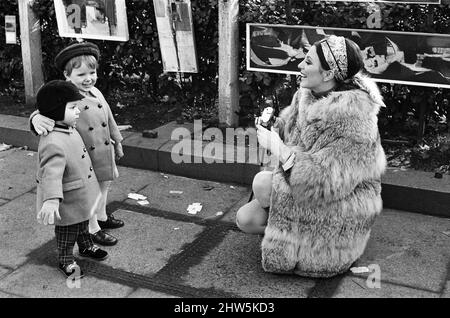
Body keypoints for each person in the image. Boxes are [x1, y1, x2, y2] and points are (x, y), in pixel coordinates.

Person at [236, 35, 387, 278]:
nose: (300, 66)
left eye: (307, 62)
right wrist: (275, 126)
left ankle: (317, 247)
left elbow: (323, 183)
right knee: (246, 218)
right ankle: (291, 234)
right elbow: (292, 126)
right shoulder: (307, 93)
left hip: (338, 203)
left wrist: (279, 149)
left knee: (260, 190)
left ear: (328, 75)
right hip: (303, 183)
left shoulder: (356, 119)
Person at [30, 42, 124, 247]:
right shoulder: (65, 96)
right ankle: (93, 228)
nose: (88, 78)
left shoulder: (96, 92)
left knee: (104, 186)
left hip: (102, 151)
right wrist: (35, 119)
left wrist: (117, 139)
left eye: (92, 72)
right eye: (81, 75)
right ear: (67, 74)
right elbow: (46, 109)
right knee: (89, 194)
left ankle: (101, 216)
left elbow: (108, 117)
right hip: (84, 158)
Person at [35, 80, 109, 278]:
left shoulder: (67, 127)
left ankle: (86, 246)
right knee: (67, 233)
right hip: (67, 199)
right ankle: (66, 260)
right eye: (72, 108)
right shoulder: (53, 142)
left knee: (83, 224)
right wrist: (51, 200)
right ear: (56, 110)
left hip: (81, 194)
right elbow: (50, 174)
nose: (78, 112)